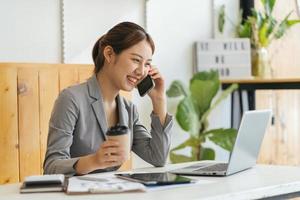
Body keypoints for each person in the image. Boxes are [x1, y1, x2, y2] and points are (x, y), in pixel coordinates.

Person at [43, 22, 173, 175]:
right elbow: (51, 167)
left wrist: (159, 100)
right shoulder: (71, 99)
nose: (141, 71)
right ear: (109, 54)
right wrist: (93, 161)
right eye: (136, 60)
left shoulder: (128, 110)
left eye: (147, 64)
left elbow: (158, 157)